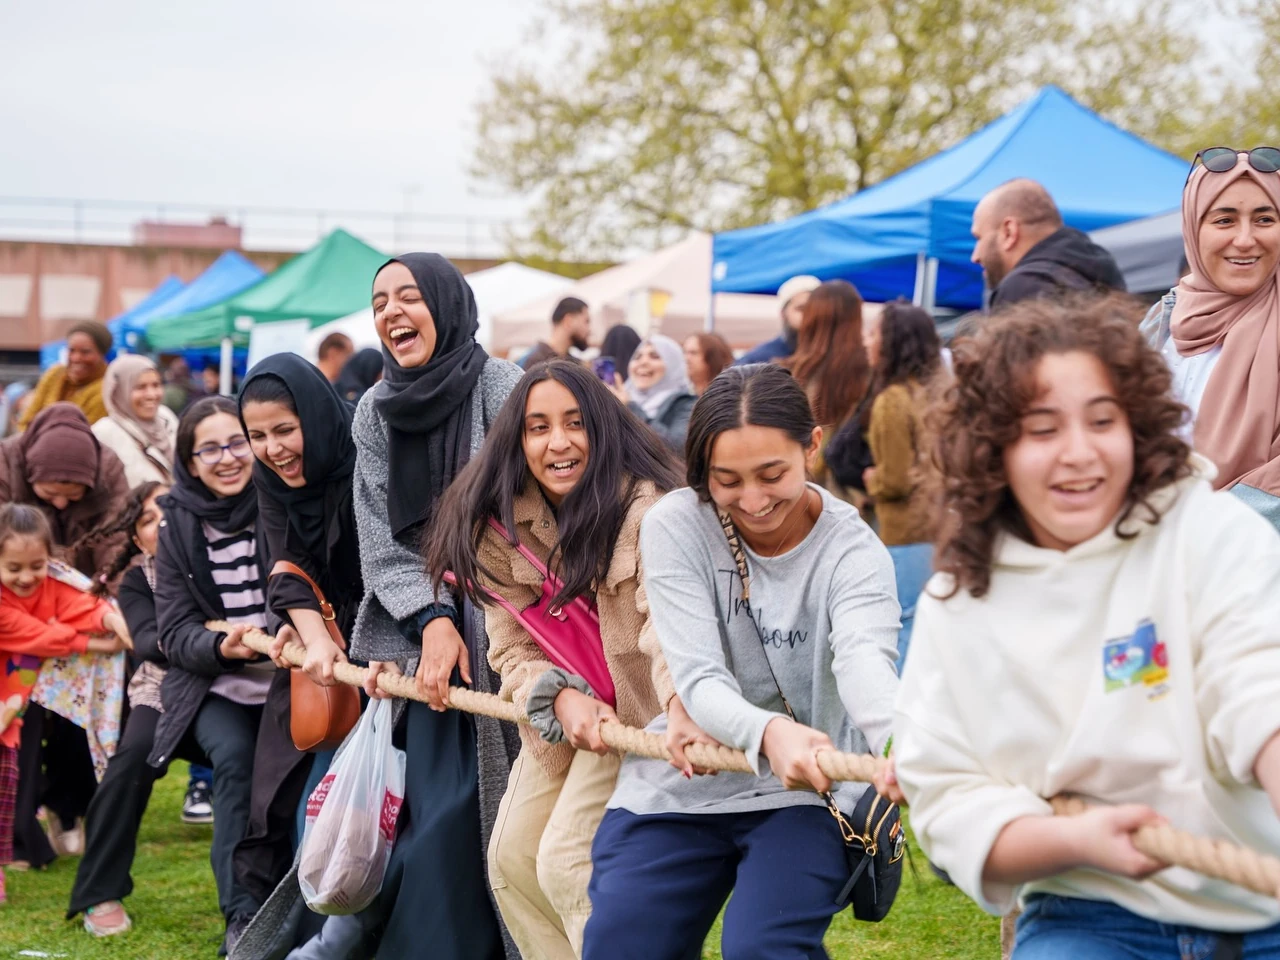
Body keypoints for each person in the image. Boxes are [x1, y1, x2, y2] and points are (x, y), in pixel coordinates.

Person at [891, 294, 1280, 959]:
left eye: (1103, 421)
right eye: (1042, 429)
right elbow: (949, 797)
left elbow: (1259, 687)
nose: (1079, 453)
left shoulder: (1206, 532)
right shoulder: (959, 603)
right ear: (993, 448)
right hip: (1092, 911)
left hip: (1263, 907)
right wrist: (1076, 843)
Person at [582, 364, 901, 960]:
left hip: (804, 788)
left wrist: (904, 745)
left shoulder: (854, 551)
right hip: (684, 779)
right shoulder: (676, 522)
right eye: (726, 480)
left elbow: (864, 664)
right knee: (621, 944)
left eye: (772, 474)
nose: (753, 501)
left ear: (812, 445)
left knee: (763, 949)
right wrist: (768, 730)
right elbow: (698, 675)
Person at [426, 358, 706, 959]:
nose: (559, 442)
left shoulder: (650, 510)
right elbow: (510, 646)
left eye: (576, 423)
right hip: (566, 716)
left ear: (603, 428)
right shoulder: (497, 525)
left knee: (564, 862)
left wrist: (682, 705)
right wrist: (555, 694)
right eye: (538, 427)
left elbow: (669, 628)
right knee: (510, 859)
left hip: (641, 716)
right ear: (517, 439)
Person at [351, 253, 523, 960]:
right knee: (433, 816)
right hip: (423, 638)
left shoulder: (503, 388)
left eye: (409, 296)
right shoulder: (373, 408)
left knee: (504, 818)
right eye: (380, 301)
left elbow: (523, 525)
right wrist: (434, 619)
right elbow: (380, 539)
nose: (392, 311)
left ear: (448, 305)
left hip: (515, 629)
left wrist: (466, 609)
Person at [149, 396, 301, 956]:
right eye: (208, 449)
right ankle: (242, 914)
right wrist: (222, 645)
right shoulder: (178, 524)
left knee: (291, 778)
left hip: (293, 680)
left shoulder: (279, 502)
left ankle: (302, 901)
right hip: (218, 685)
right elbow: (175, 631)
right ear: (189, 462)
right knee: (236, 763)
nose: (227, 458)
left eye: (237, 443)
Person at [67, 482, 214, 934]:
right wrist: (207, 639)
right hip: (163, 691)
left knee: (255, 765)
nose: (162, 524)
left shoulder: (222, 560)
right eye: (148, 520)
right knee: (129, 763)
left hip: (230, 690)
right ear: (136, 539)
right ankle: (99, 892)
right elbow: (149, 643)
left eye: (168, 512)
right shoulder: (138, 579)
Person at [0, 402, 129, 868]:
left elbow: (118, 547)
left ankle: (67, 808)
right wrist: (84, 636)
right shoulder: (5, 463)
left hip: (74, 600)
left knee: (77, 722)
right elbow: (23, 630)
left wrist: (108, 609)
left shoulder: (109, 470)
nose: (59, 504)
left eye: (72, 494)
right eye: (49, 493)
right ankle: (22, 833)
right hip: (28, 635)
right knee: (21, 735)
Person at [1139, 147, 1280, 530]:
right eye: (1224, 220)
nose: (1246, 239)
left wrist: (1207, 532)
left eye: (1264, 219)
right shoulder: (1161, 320)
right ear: (1192, 227)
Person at [861, 300, 943, 667]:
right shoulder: (937, 393)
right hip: (938, 528)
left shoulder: (891, 401)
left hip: (904, 532)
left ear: (892, 341)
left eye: (875, 332)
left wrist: (871, 480)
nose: (867, 341)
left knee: (905, 624)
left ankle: (900, 720)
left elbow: (894, 479)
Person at [970, 178, 1126, 313]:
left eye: (979, 238)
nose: (975, 256)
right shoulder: (1098, 278)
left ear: (1009, 232)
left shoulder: (1024, 288)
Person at [784, 279, 871, 495]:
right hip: (853, 495)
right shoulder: (872, 372)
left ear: (811, 319)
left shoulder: (789, 373)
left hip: (799, 489)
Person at [92, 356, 179, 487]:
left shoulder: (166, 418)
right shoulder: (104, 433)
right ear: (119, 391)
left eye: (156, 385)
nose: (151, 395)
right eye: (140, 387)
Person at [607, 334, 696, 451]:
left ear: (673, 365)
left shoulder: (686, 404)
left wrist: (629, 408)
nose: (643, 362)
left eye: (654, 356)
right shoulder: (618, 398)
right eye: (637, 357)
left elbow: (677, 448)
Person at [19, 321, 113, 429]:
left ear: (102, 353)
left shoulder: (106, 389)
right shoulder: (55, 374)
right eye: (71, 350)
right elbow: (27, 421)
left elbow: (85, 434)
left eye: (85, 352)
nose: (76, 358)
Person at [735, 274, 820, 365]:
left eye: (815, 309)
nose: (809, 315)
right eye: (801, 309)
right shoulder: (759, 360)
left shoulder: (833, 355)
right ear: (783, 313)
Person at [520, 296, 591, 370]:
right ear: (569, 321)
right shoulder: (535, 362)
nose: (589, 329)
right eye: (586, 321)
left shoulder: (575, 363)